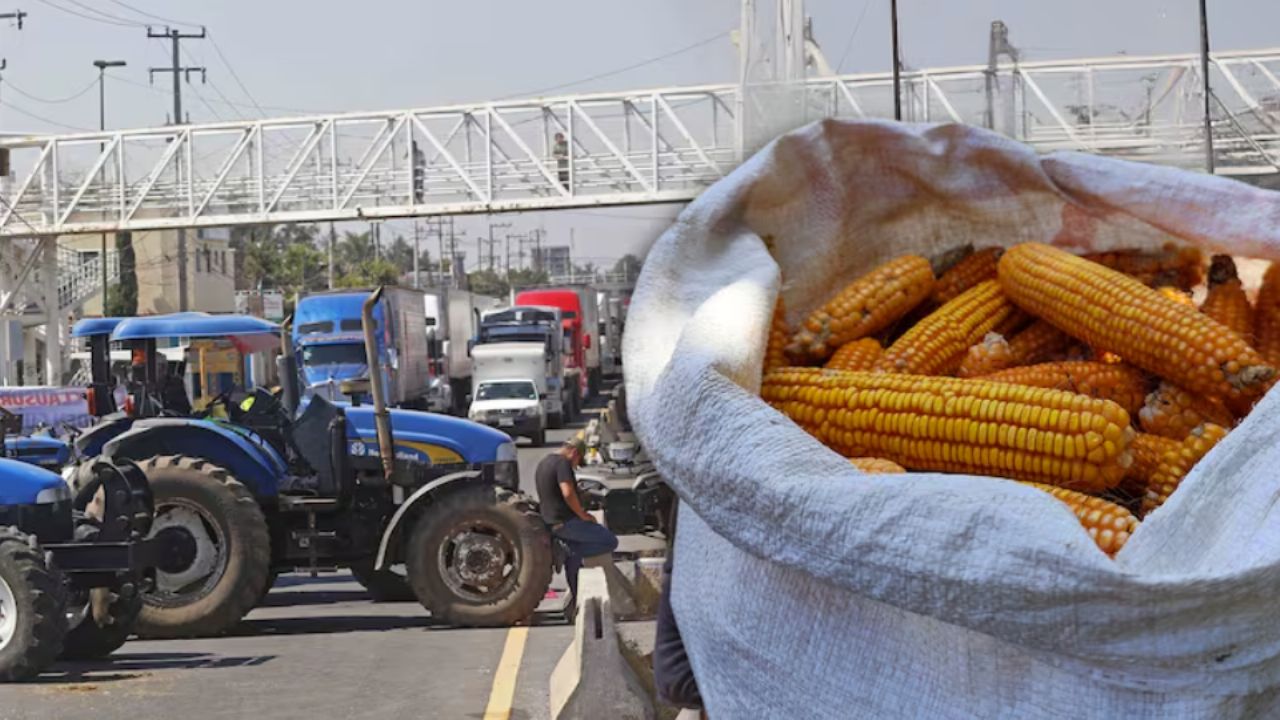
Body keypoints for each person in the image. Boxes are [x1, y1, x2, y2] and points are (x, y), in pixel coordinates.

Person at [535, 438, 617, 599]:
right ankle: (565, 551)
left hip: (552, 522)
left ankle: (576, 596)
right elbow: (567, 492)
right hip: (566, 523)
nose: (575, 465)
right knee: (609, 541)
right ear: (574, 452)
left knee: (574, 560)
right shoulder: (562, 463)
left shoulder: (544, 462)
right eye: (577, 461)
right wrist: (583, 515)